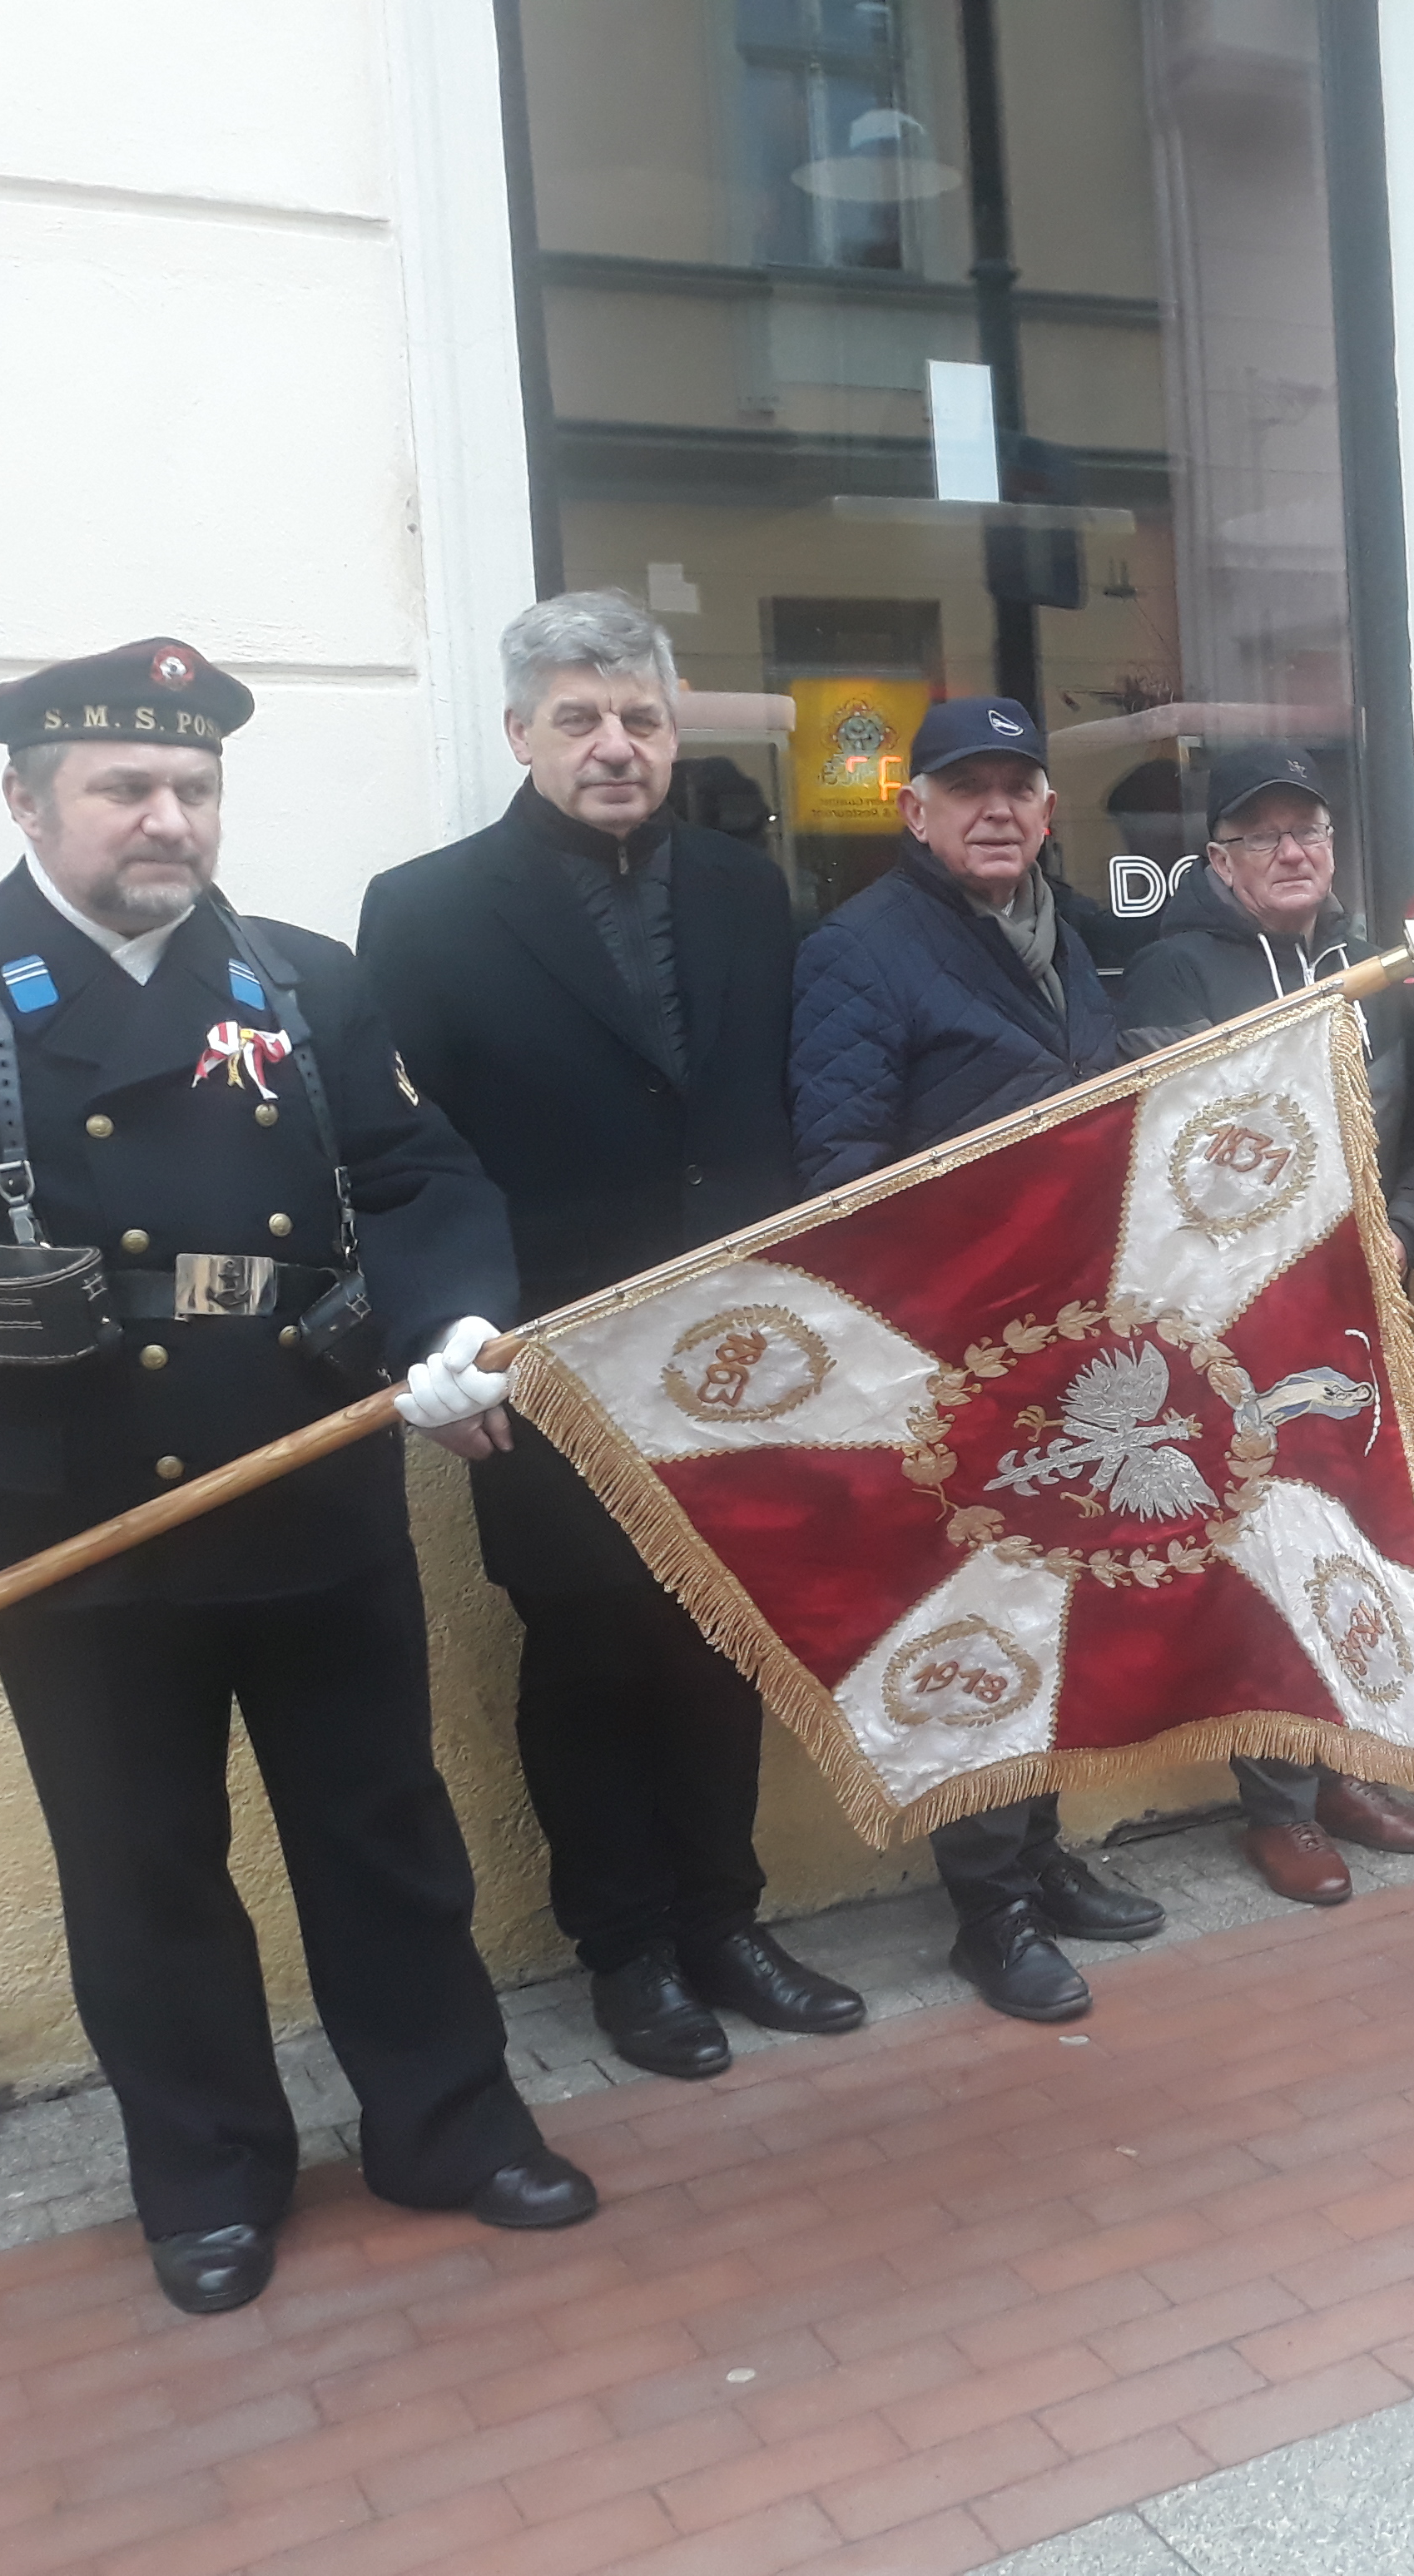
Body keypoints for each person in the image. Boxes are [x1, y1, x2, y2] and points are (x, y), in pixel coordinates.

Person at [0, 641, 594, 2314]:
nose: (170, 818)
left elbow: (418, 1171)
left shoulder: (300, 984)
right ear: (25, 800)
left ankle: (446, 2124)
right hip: (73, 1514)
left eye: (197, 789)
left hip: (305, 1470)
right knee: (140, 1860)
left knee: (383, 1832)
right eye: (126, 789)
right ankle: (210, 2170)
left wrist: (454, 1327)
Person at [361, 591, 865, 2083]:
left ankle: (724, 1921)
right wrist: (433, 1341)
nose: (614, 745)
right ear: (519, 734)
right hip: (538, 1360)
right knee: (587, 1648)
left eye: (639, 717)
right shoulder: (425, 908)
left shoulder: (740, 887)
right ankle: (627, 1949)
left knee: (718, 1634)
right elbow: (400, 1157)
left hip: (727, 1348)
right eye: (578, 718)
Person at [787, 696, 1168, 2016]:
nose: (996, 809)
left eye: (1019, 787)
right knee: (976, 1630)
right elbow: (841, 1175)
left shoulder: (1070, 938)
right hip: (951, 1356)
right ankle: (987, 1915)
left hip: (1071, 1338)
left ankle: (1044, 1859)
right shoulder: (860, 949)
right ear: (914, 812)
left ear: (1050, 814)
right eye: (968, 789)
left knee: (1051, 1605)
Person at [1116, 744, 1414, 1905]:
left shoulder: (1371, 970)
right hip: (1238, 1326)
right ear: (1219, 861)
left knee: (1352, 1539)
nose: (1295, 850)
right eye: (1264, 835)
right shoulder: (1173, 978)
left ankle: (1346, 1768)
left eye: (1309, 829)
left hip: (1362, 1314)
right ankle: (1280, 1805)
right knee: (1267, 1552)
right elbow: (1164, 1158)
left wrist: (1407, 1233)